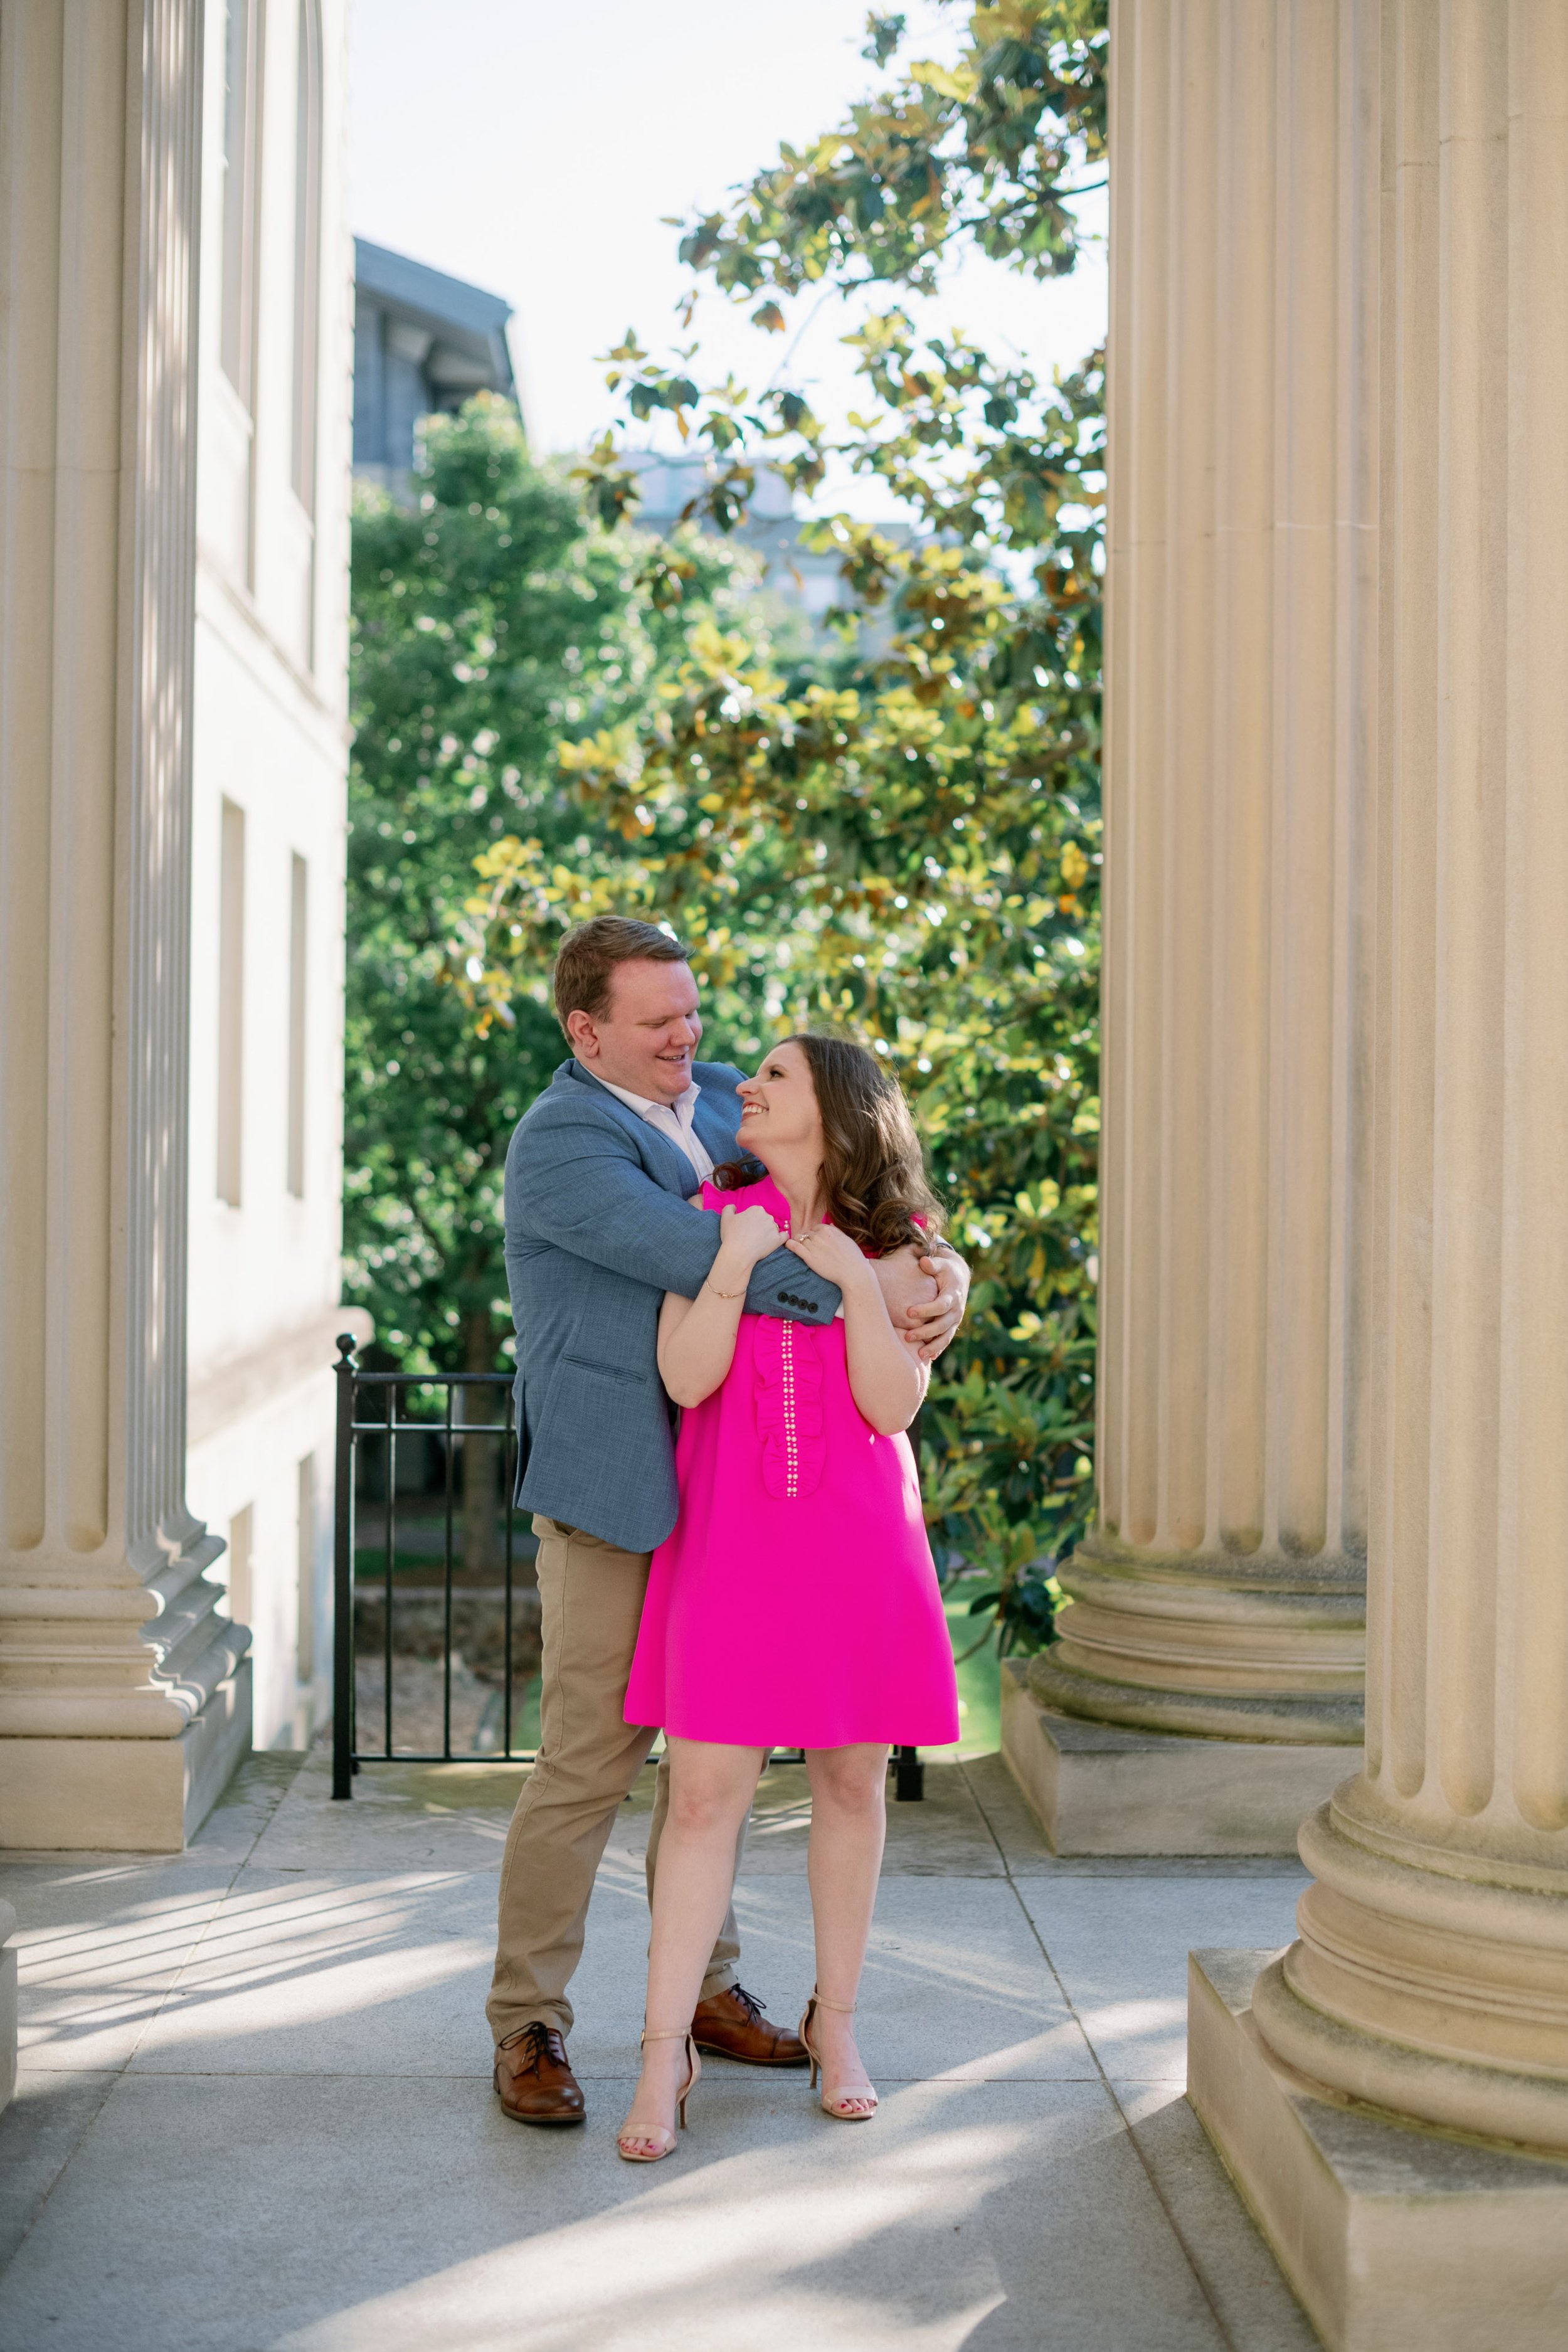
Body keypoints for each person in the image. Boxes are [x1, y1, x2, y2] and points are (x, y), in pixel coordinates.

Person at [487, 916, 970, 2126]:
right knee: (593, 1760)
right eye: (658, 1023)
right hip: (618, 1494)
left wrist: (939, 1259)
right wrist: (893, 1275)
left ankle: (702, 1992)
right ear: (585, 1029)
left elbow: (851, 1166)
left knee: (713, 1760)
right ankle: (531, 2020)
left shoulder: (714, 1103)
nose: (691, 1039)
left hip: (737, 1501)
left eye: (692, 1011)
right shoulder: (560, 1142)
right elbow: (724, 1250)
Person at [614, 1031, 961, 2161]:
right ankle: (665, 2050)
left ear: (836, 1108)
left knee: (852, 1784)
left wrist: (857, 1280)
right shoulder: (714, 1208)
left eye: (773, 1076)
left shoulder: (907, 1251)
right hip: (730, 1543)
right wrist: (733, 1262)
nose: (745, 1088)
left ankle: (840, 2025)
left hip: (858, 1546)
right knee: (705, 1796)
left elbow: (889, 1406)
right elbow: (684, 1376)